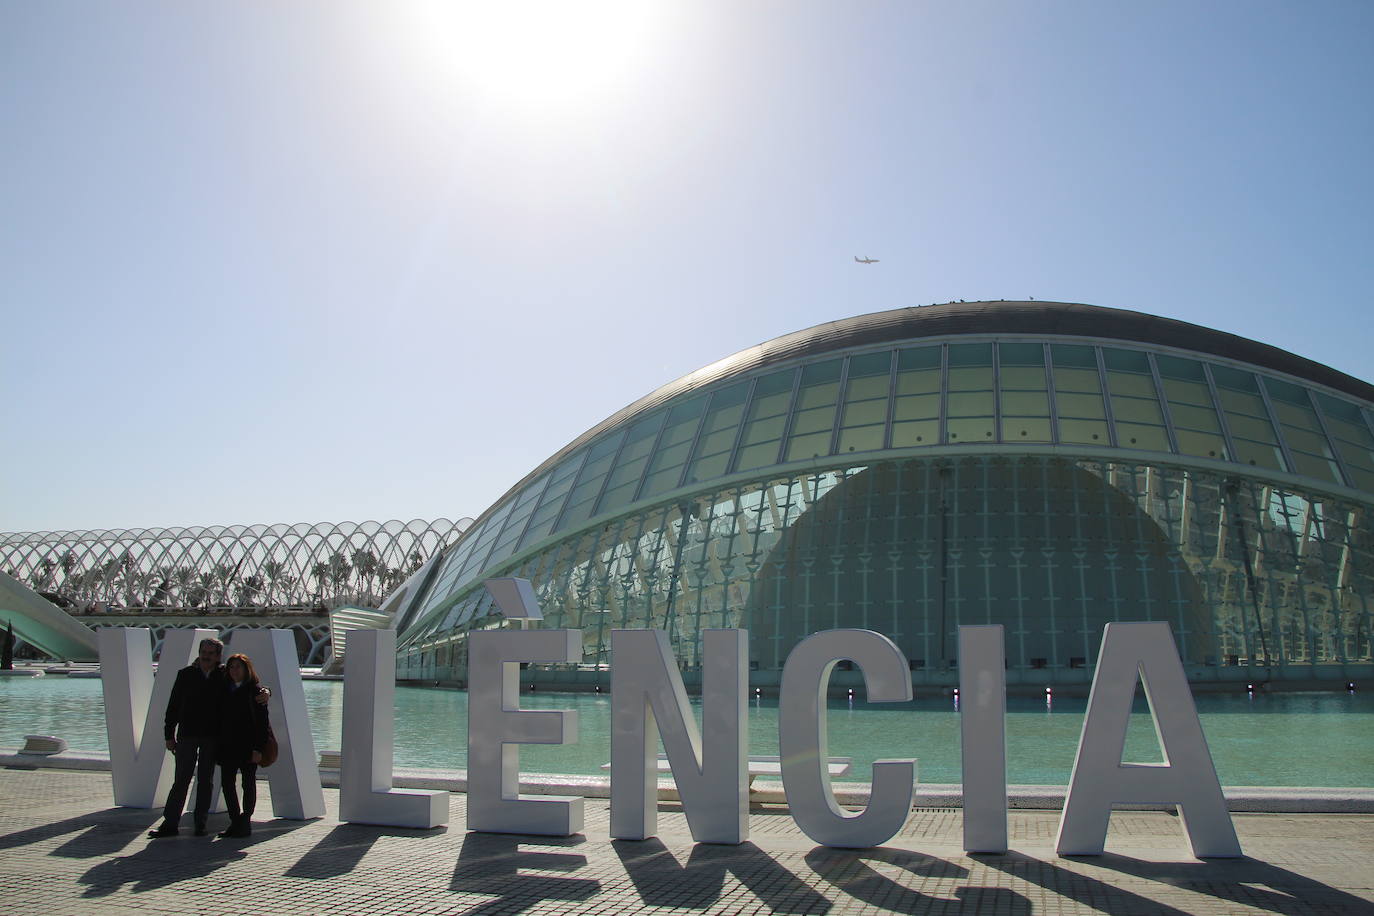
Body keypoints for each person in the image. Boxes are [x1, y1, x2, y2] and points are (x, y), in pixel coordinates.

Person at [148, 638, 269, 838]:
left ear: (218, 656)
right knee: (181, 780)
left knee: (206, 781)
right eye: (204, 652)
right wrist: (169, 734)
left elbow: (250, 686)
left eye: (211, 653)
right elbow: (173, 707)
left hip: (212, 737)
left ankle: (200, 824)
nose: (206, 656)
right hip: (187, 735)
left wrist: (267, 692)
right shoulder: (186, 675)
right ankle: (170, 824)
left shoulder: (223, 675)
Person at [217, 653, 269, 838]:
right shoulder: (224, 689)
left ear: (246, 669)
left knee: (248, 784)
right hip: (226, 746)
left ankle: (245, 820)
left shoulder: (255, 692)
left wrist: (259, 749)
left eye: (238, 667)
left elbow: (262, 723)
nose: (234, 671)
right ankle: (235, 821)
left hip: (248, 747)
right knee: (227, 784)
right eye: (231, 667)